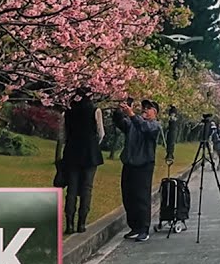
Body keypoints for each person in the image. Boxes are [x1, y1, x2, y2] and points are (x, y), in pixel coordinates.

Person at [114, 98, 162, 243]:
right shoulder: (133, 123)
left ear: (155, 112)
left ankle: (143, 228)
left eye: (149, 108)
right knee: (128, 196)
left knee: (142, 197)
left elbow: (144, 128)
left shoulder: (154, 126)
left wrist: (132, 115)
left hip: (144, 166)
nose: (145, 110)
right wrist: (119, 111)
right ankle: (134, 227)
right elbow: (121, 123)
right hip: (129, 163)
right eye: (144, 107)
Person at [60, 90, 105, 235]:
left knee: (71, 189)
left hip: (72, 152)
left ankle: (69, 224)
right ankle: (82, 223)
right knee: (87, 188)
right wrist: (92, 143)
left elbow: (62, 134)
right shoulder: (95, 110)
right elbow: (101, 133)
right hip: (90, 154)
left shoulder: (68, 111)